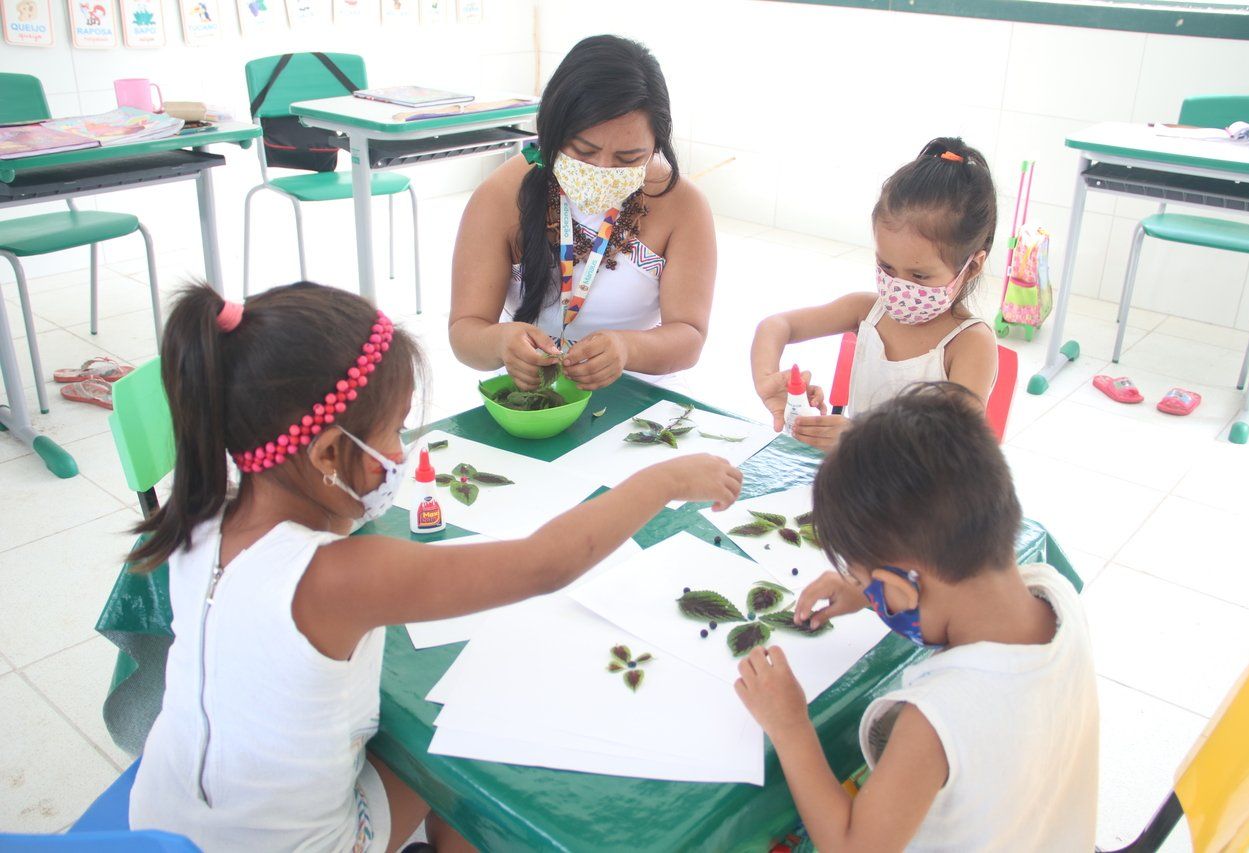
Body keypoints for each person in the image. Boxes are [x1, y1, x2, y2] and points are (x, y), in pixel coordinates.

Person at [127, 281, 742, 852]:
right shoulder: (336, 577)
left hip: (162, 821)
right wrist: (662, 479)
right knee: (459, 763)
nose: (401, 453)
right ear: (325, 455)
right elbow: (542, 566)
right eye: (393, 432)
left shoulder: (201, 515)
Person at [734, 383, 1098, 851]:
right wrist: (873, 592)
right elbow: (953, 586)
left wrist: (790, 726)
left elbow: (851, 847)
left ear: (904, 586)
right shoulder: (1052, 592)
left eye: (872, 584)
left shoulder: (936, 720)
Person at [449, 34, 715, 392]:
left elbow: (689, 336)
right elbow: (466, 331)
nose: (602, 168)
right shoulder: (501, 195)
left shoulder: (682, 205)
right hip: (537, 395)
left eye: (629, 158)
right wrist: (500, 343)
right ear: (552, 131)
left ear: (656, 145)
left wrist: (627, 348)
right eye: (583, 150)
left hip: (639, 397)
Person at [750, 138, 999, 451]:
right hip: (859, 486)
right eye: (887, 266)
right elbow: (775, 326)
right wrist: (768, 379)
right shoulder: (866, 310)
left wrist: (861, 438)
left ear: (972, 267)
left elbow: (955, 446)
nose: (898, 285)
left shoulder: (969, 343)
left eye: (920, 276)